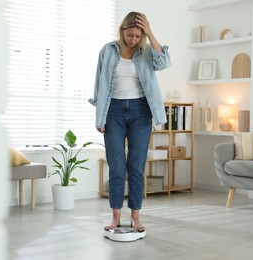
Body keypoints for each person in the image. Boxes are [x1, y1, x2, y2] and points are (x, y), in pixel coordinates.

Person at [89, 12, 171, 232]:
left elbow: (165, 62)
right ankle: (115, 217)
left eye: (137, 35)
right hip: (113, 110)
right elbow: (99, 84)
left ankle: (136, 217)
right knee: (116, 166)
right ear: (121, 30)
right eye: (129, 34)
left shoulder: (146, 52)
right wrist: (100, 116)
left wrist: (150, 32)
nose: (132, 39)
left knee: (136, 166)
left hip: (140, 111)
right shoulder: (107, 51)